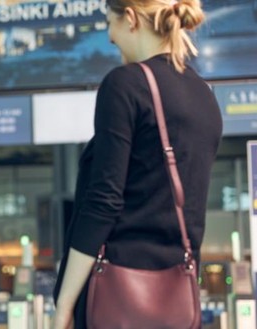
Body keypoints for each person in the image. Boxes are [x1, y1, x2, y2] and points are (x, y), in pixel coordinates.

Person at [52, 0, 222, 328]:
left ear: (130, 18)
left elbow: (103, 201)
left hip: (116, 296)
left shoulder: (124, 84)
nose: (109, 36)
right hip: (176, 302)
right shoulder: (204, 96)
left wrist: (65, 303)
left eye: (109, 23)